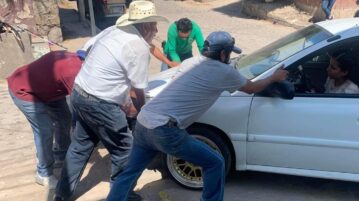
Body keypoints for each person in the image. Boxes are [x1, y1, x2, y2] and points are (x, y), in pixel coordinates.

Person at [106, 31, 288, 201]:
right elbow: (252, 88)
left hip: (144, 121)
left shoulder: (191, 62)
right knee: (215, 162)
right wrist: (274, 77)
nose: (230, 57)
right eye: (229, 54)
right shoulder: (224, 72)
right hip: (164, 129)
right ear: (223, 54)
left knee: (129, 172)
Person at [53, 1, 168, 201]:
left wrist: (114, 88)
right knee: (125, 149)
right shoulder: (138, 46)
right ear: (146, 26)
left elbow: (87, 49)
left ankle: (61, 194)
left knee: (80, 146)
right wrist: (143, 114)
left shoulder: (112, 30)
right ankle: (121, 195)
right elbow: (139, 89)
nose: (156, 31)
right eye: (154, 25)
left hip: (80, 93)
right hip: (101, 103)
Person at [7, 50, 83, 189]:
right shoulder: (73, 71)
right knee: (44, 130)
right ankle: (43, 173)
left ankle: (60, 155)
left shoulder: (76, 58)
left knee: (64, 118)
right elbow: (80, 105)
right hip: (24, 90)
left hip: (49, 89)